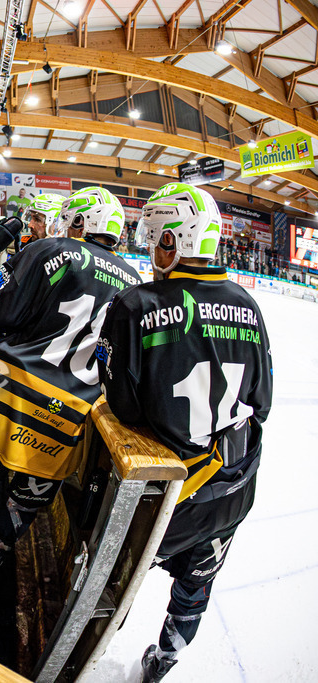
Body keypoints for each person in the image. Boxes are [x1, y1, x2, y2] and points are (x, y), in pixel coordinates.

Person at [0, 187, 141, 622]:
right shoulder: (136, 288)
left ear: (81, 223)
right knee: (19, 509)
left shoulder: (53, 250)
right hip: (65, 426)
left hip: (4, 409)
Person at [97, 183, 272, 682]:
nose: (152, 249)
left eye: (156, 237)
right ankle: (166, 659)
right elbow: (263, 405)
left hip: (164, 496)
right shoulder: (249, 307)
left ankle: (85, 653)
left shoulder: (134, 306)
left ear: (175, 240)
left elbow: (123, 406)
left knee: (110, 581)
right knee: (196, 585)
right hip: (233, 489)